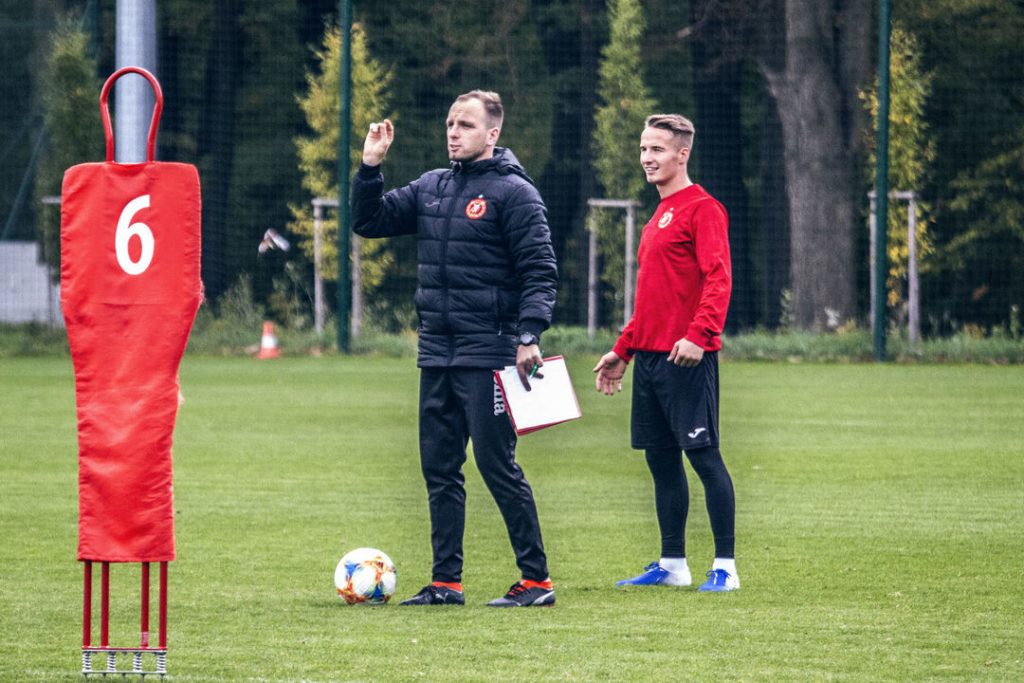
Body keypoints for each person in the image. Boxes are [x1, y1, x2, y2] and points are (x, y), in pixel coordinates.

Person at [352, 90, 559, 607]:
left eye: (465, 124)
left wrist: (528, 335)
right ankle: (447, 583)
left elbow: (540, 271)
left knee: (496, 466)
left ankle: (536, 581)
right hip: (437, 354)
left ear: (492, 134)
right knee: (440, 471)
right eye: (450, 123)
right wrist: (370, 167)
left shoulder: (515, 193)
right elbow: (369, 221)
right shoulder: (432, 187)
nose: (453, 131)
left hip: (490, 354)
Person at [593, 114, 739, 592]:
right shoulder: (658, 216)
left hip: (687, 358)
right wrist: (623, 350)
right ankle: (673, 563)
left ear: (682, 154)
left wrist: (700, 335)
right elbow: (652, 300)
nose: (647, 158)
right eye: (643, 149)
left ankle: (726, 568)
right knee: (660, 460)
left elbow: (718, 278)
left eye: (656, 149)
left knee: (705, 458)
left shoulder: (703, 209)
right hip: (651, 359)